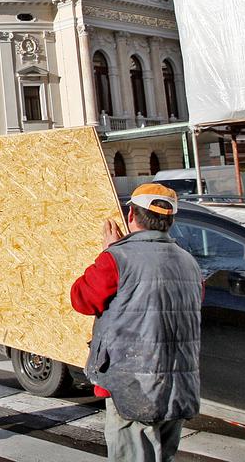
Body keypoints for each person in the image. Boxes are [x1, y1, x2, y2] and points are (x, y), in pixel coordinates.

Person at [71, 184, 201, 462]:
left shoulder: (116, 259)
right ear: (170, 220)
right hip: (179, 386)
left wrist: (109, 251)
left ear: (131, 215)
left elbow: (81, 299)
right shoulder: (189, 262)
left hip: (133, 388)